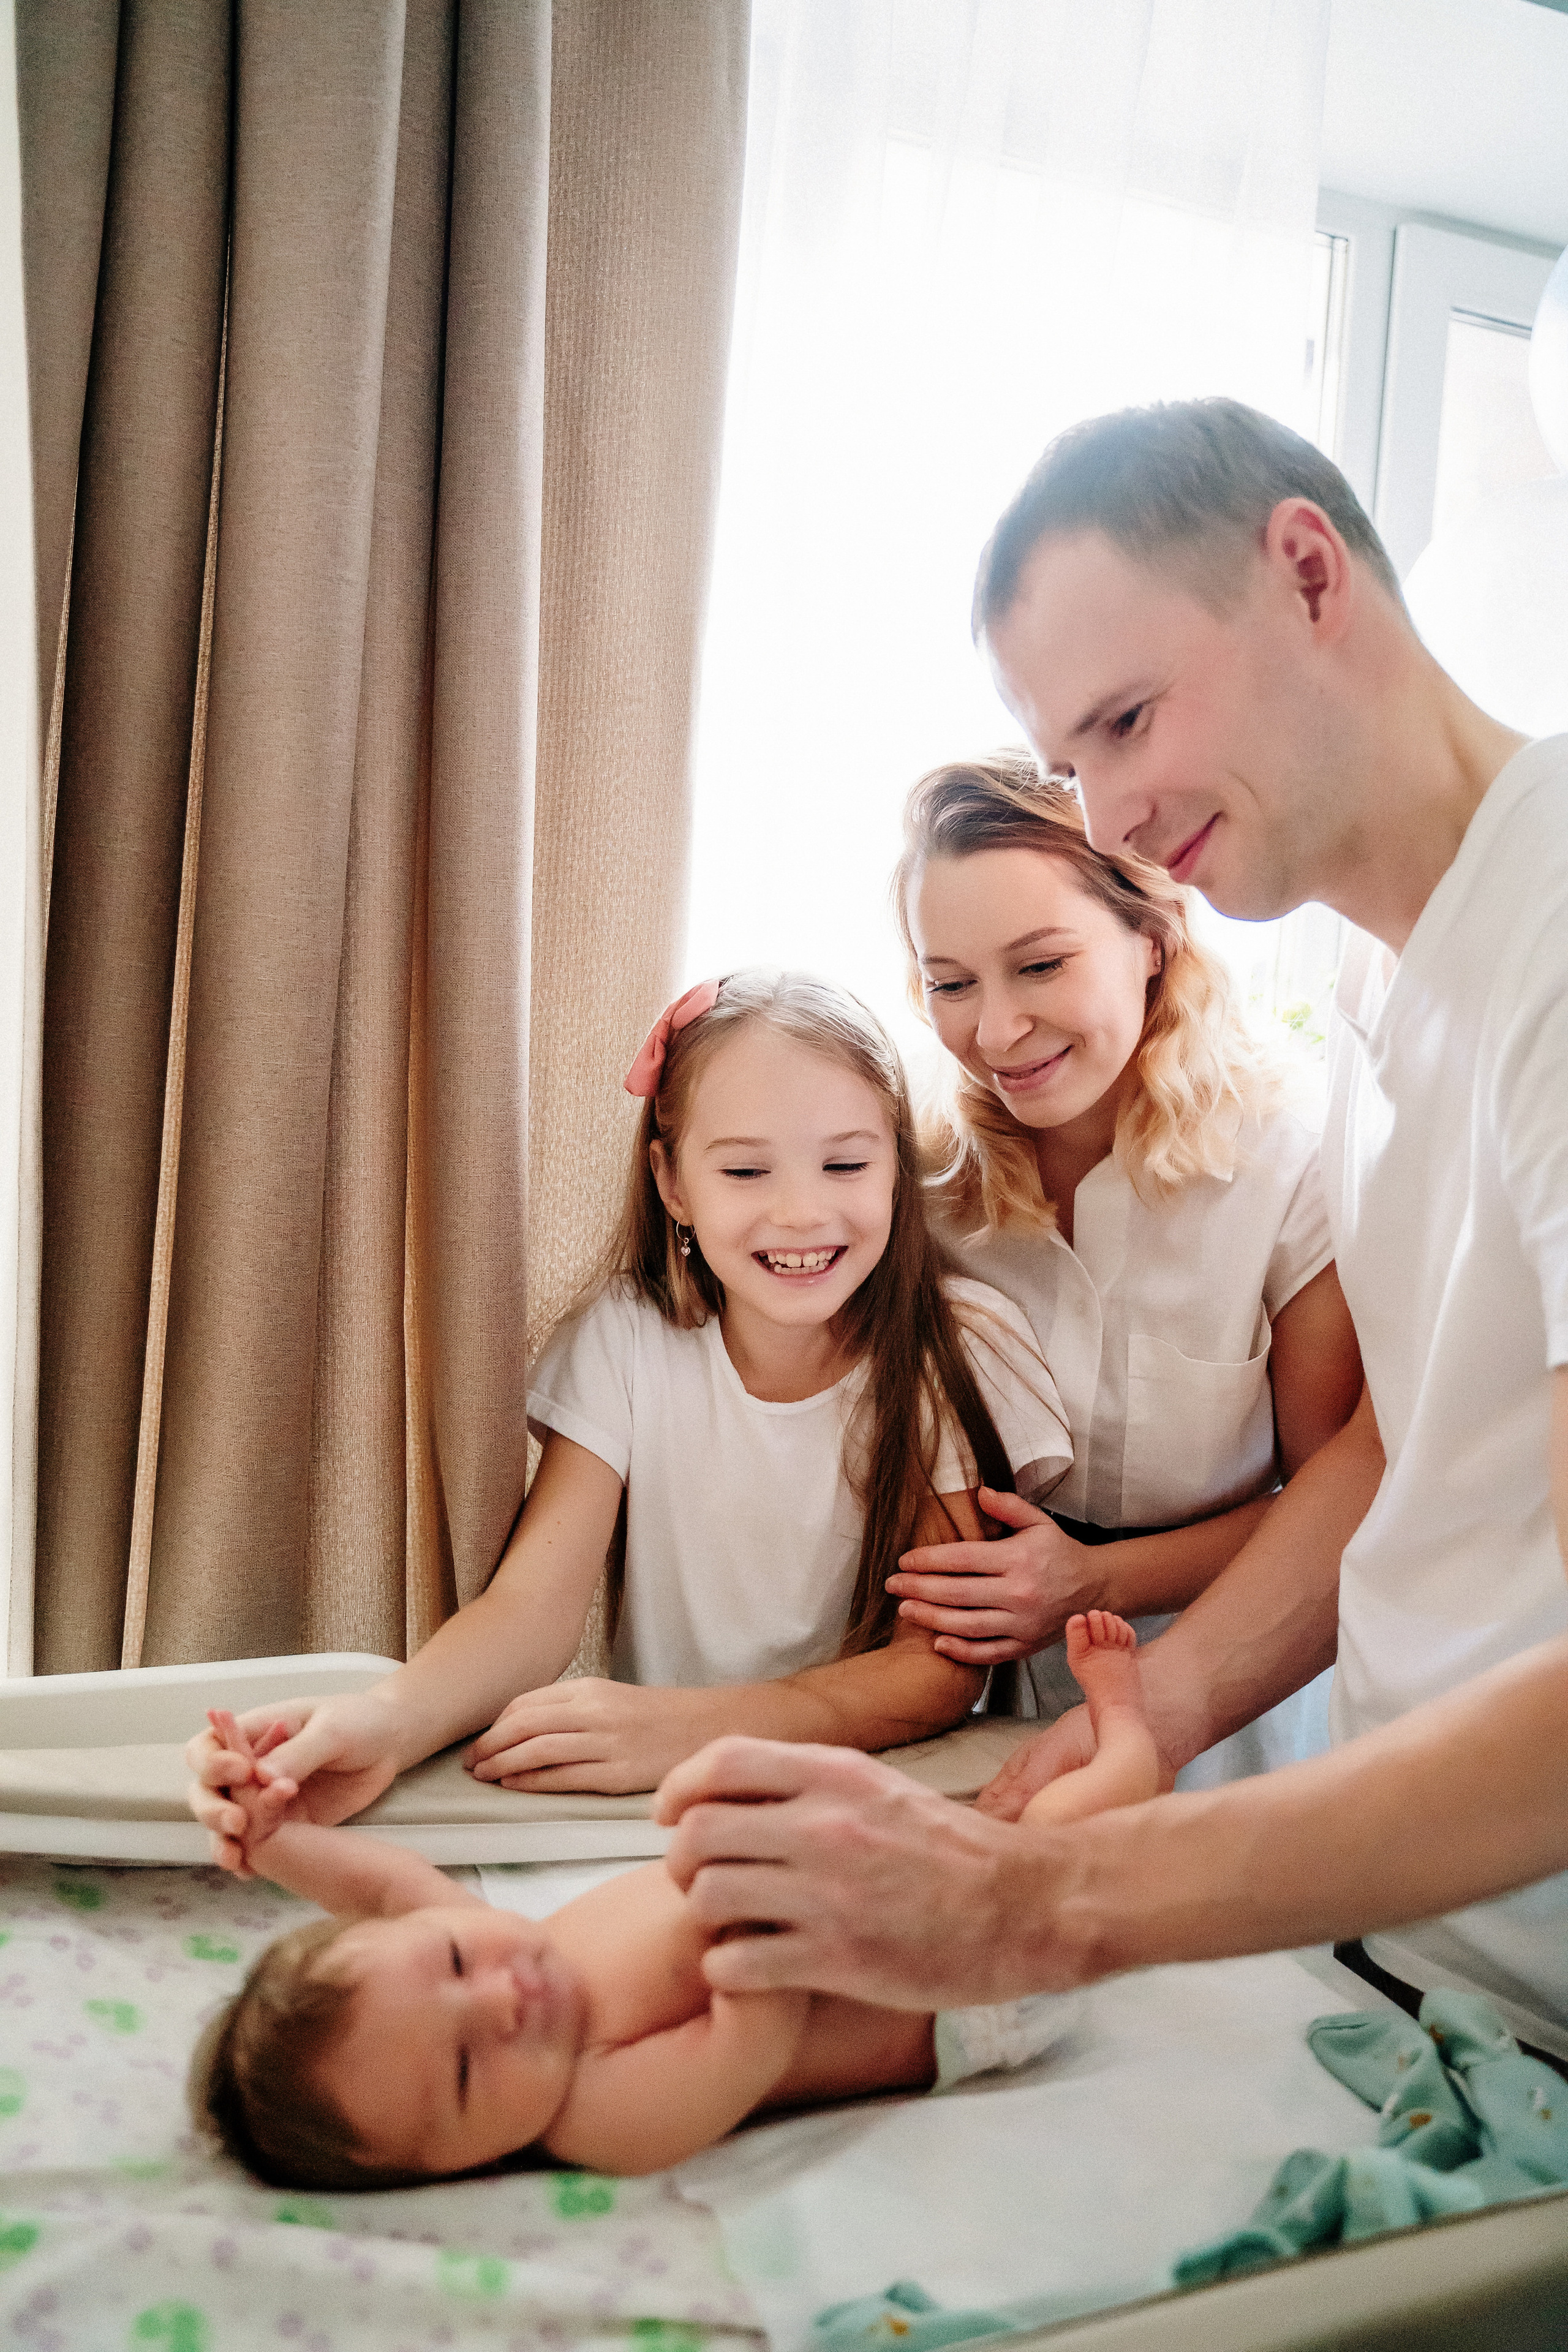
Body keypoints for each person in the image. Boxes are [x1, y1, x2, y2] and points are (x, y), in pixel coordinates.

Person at [648, 398, 1568, 2063]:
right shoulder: (1381, 986)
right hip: (1405, 1946)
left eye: (1131, 720)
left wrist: (1043, 1910)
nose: (1114, 811)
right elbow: (1388, 1457)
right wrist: (1159, 1708)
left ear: (1306, 571)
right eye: (1074, 760)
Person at [187, 970, 1071, 1856]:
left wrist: (691, 1731)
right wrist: (386, 1721)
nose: (802, 1211)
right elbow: (534, 1604)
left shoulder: (955, 1346)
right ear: (673, 1184)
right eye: (745, 1170)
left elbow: (936, 1670)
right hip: (666, 1824)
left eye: (846, 1163)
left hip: (894, 1807)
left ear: (896, 1166)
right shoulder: (625, 1337)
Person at [192, 1630, 1153, 2185]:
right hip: (969, 1995)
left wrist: (270, 1838)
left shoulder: (507, 1947)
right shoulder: (595, 2111)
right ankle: (1130, 1741)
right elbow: (753, 2043)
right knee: (1064, 1843)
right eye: (464, 2073)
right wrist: (745, 1893)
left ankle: (1048, 1787)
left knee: (996, 1827)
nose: (497, 2002)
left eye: (448, 1963)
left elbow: (391, 1887)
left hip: (881, 1898)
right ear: (451, 2169)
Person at [881, 753, 1362, 1784]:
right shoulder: (917, 1179)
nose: (996, 1031)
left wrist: (1092, 1577)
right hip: (973, 1698)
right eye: (950, 984)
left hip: (1234, 1686)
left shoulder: (1290, 1164)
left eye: (1041, 965)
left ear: (1154, 938)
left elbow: (1332, 1493)